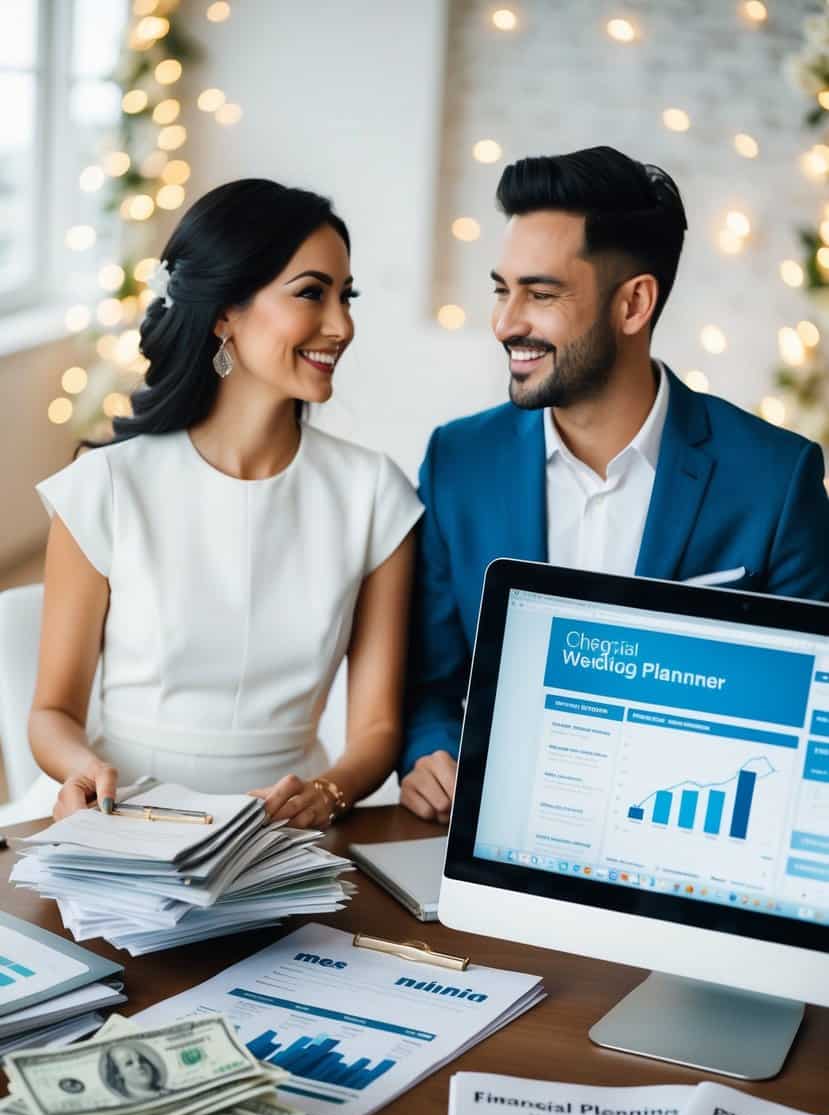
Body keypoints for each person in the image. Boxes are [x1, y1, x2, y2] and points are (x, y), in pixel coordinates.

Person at [399, 145, 829, 823]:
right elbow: (429, 683)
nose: (506, 322)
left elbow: (811, 717)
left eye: (539, 294)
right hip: (494, 835)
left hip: (690, 837)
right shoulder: (458, 459)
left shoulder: (776, 477)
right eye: (500, 289)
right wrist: (429, 755)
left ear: (633, 304)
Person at [30, 179, 422, 827]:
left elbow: (377, 727)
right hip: (126, 818)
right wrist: (80, 768)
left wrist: (324, 794)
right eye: (311, 293)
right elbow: (52, 715)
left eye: (345, 297)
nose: (342, 325)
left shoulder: (375, 495)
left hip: (285, 837)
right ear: (223, 314)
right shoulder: (104, 486)